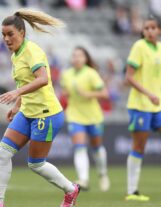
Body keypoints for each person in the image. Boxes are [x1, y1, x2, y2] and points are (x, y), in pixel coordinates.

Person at [0, 9, 80, 207]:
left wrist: (16, 93)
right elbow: (25, 82)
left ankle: (71, 190)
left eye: (10, 34)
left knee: (36, 164)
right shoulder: (15, 55)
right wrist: (17, 105)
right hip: (27, 112)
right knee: (2, 153)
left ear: (22, 32)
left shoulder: (32, 51)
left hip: (46, 115)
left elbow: (43, 79)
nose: (6, 39)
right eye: (3, 35)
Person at [60, 47, 110, 191]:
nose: (76, 58)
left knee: (97, 148)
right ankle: (83, 179)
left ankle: (102, 174)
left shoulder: (91, 73)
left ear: (85, 58)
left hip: (93, 116)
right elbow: (65, 93)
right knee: (79, 147)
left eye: (79, 56)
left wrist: (88, 94)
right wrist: (65, 93)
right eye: (74, 55)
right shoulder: (66, 74)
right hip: (75, 115)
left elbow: (105, 93)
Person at [125, 15, 161, 201]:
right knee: (139, 145)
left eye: (153, 27)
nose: (149, 31)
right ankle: (132, 191)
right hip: (140, 106)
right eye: (146, 28)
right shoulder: (139, 47)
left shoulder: (160, 49)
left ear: (159, 30)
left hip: (157, 106)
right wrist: (149, 94)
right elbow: (129, 77)